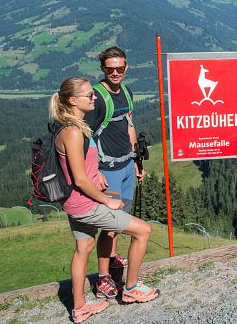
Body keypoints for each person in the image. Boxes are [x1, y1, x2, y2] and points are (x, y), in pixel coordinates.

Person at [50, 77, 158, 323]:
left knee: (83, 249)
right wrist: (106, 201)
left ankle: (79, 308)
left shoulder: (67, 127)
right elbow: (79, 179)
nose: (94, 97)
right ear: (73, 100)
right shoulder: (74, 132)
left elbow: (78, 167)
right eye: (89, 95)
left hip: (74, 202)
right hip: (86, 204)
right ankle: (131, 289)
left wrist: (95, 171)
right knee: (143, 231)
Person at [83, 46, 144, 298]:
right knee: (109, 227)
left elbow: (130, 126)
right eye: (110, 69)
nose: (116, 72)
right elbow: (83, 136)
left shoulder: (127, 92)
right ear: (103, 69)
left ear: (126, 67)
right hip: (108, 171)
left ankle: (112, 260)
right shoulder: (97, 98)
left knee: (120, 222)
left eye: (120, 68)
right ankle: (103, 278)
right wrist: (94, 172)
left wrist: (137, 160)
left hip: (127, 166)